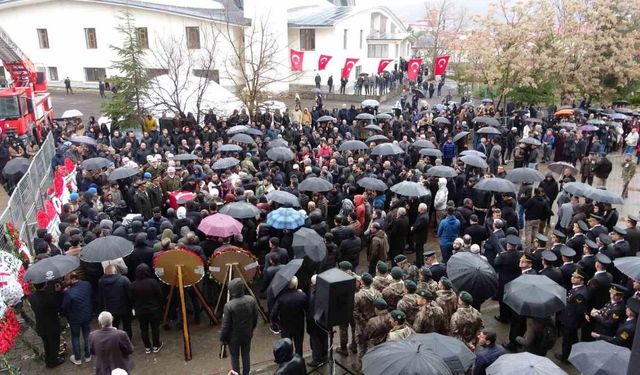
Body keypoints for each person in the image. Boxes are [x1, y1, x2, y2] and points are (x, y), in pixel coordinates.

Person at [220, 278, 259, 375]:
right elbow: (255, 318)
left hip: (233, 338)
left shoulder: (229, 306)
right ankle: (246, 373)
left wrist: (222, 338)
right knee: (246, 355)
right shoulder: (251, 300)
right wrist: (251, 329)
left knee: (235, 357)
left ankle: (236, 373)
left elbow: (226, 326)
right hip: (247, 333)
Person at [29, 282, 65, 368]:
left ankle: (48, 360)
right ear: (45, 285)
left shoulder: (32, 297)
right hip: (52, 325)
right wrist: (58, 292)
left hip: (41, 325)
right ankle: (54, 361)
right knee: (54, 344)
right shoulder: (49, 297)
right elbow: (57, 306)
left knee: (46, 343)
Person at [555, 269, 588, 363]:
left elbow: (578, 311)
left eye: (576, 277)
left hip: (571, 321)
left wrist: (571, 322)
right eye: (573, 276)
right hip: (570, 318)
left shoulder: (580, 294)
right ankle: (572, 354)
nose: (573, 278)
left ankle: (565, 357)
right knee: (572, 339)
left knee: (567, 340)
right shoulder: (577, 288)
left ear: (582, 280)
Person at [129, 264, 164, 354]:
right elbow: (160, 295)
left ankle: (147, 347)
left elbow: (131, 298)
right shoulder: (153, 282)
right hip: (153, 309)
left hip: (140, 310)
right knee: (155, 328)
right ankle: (156, 345)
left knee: (143, 329)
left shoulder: (133, 285)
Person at [271, 276, 308, 356]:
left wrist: (277, 322)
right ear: (296, 285)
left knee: (286, 346)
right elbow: (307, 309)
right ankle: (299, 361)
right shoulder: (302, 296)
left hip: (285, 326)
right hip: (299, 326)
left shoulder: (281, 298)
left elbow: (273, 314)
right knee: (299, 346)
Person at [61, 271, 93, 365]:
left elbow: (64, 307)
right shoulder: (87, 284)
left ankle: (78, 358)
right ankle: (88, 355)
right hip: (87, 315)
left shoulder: (69, 293)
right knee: (87, 335)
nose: (65, 281)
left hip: (74, 319)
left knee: (75, 337)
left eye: (66, 280)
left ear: (72, 279)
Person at [98, 264, 132, 339]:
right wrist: (132, 306)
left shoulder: (101, 282)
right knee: (127, 326)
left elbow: (100, 297)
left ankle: (115, 341)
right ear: (115, 271)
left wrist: (101, 310)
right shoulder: (124, 280)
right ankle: (127, 340)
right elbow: (130, 294)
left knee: (113, 327)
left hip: (110, 310)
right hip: (125, 308)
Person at [411, 203, 429, 267]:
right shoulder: (423, 215)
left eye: (418, 207)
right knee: (420, 250)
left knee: (419, 251)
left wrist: (413, 228)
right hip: (421, 236)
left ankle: (419, 263)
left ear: (421, 209)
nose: (417, 208)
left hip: (420, 237)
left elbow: (417, 227)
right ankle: (420, 262)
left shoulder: (423, 217)